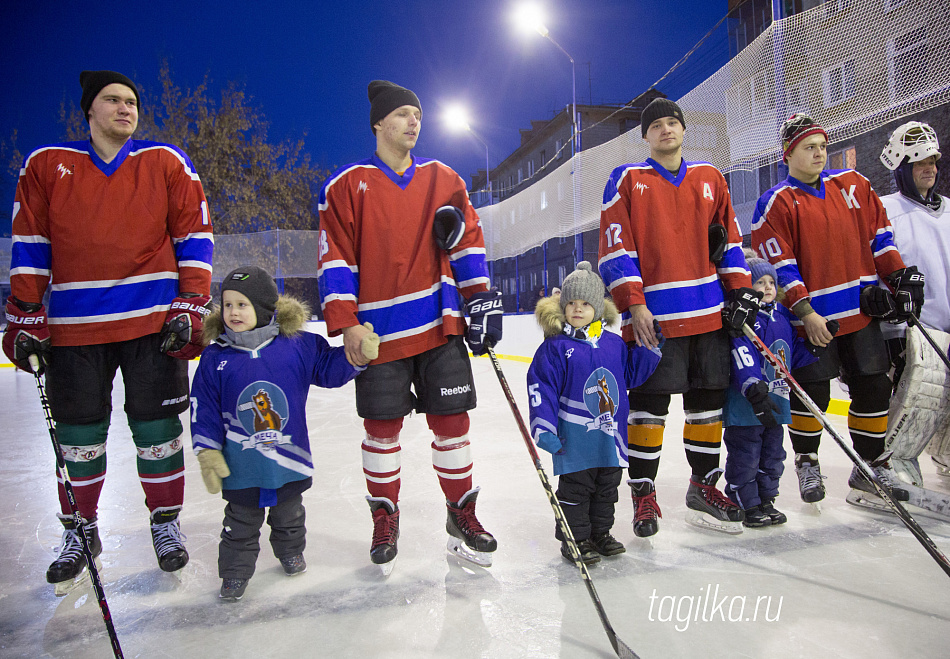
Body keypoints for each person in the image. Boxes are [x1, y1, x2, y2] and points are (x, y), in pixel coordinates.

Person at [3, 70, 214, 594]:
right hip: (75, 330)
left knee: (159, 434)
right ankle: (82, 529)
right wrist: (24, 313)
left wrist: (190, 304)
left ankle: (165, 524)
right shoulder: (48, 165)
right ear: (89, 111)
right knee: (77, 440)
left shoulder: (165, 162)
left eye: (132, 102)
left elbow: (195, 234)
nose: (125, 108)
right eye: (112, 100)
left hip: (152, 325)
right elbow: (30, 242)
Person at [316, 80, 503, 573]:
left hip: (440, 327)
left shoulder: (445, 179)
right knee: (381, 432)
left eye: (417, 114)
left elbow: (468, 244)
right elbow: (335, 259)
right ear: (379, 123)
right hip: (379, 336)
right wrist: (347, 323)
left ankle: (461, 514)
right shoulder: (345, 186)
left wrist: (480, 300)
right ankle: (385, 515)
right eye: (402, 114)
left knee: (453, 427)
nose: (413, 121)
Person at [598, 98, 759, 537]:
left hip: (709, 316)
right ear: (645, 136)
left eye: (673, 122)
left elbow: (729, 241)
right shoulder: (627, 180)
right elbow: (616, 248)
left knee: (707, 407)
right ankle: (644, 493)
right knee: (649, 410)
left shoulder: (710, 178)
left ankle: (703, 487)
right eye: (657, 125)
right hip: (655, 320)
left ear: (684, 130)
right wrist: (635, 303)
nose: (666, 130)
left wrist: (741, 291)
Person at [751, 113, 924, 509]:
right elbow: (783, 266)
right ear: (788, 154)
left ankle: (871, 463)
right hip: (813, 321)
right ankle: (807, 460)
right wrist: (806, 312)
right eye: (809, 147)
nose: (819, 153)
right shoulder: (776, 202)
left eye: (823, 147)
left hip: (859, 314)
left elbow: (880, 239)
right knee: (814, 392)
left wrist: (896, 278)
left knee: (874, 384)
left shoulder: (855, 186)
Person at [190, 266, 378, 600]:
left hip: (288, 459)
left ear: (264, 307)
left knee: (289, 514)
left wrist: (357, 356)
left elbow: (328, 369)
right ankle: (234, 573)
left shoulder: (297, 345)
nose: (233, 312)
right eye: (228, 304)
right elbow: (203, 407)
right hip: (240, 462)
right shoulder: (215, 356)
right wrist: (207, 450)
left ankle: (290, 550)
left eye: (242, 305)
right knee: (239, 522)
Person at [527, 262, 661, 563]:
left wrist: (649, 350)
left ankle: (600, 533)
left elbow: (629, 375)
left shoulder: (613, 343)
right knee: (576, 490)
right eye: (571, 303)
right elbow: (542, 388)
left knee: (606, 489)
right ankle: (575, 539)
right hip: (574, 437)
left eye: (585, 303)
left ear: (598, 307)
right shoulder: (555, 347)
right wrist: (544, 427)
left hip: (609, 434)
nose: (577, 309)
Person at [878, 121, 950, 484]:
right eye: (920, 162)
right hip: (914, 330)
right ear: (901, 167)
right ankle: (898, 463)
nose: (930, 169)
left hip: (948, 328)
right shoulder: (884, 210)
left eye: (933, 162)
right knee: (917, 400)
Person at [722, 257, 819, 526]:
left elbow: (785, 357)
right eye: (759, 282)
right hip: (748, 405)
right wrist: (752, 387)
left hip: (776, 402)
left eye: (771, 282)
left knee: (774, 455)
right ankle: (746, 501)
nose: (767, 287)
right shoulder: (742, 320)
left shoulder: (782, 318)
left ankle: (766, 499)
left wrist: (812, 349)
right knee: (746, 455)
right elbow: (741, 356)